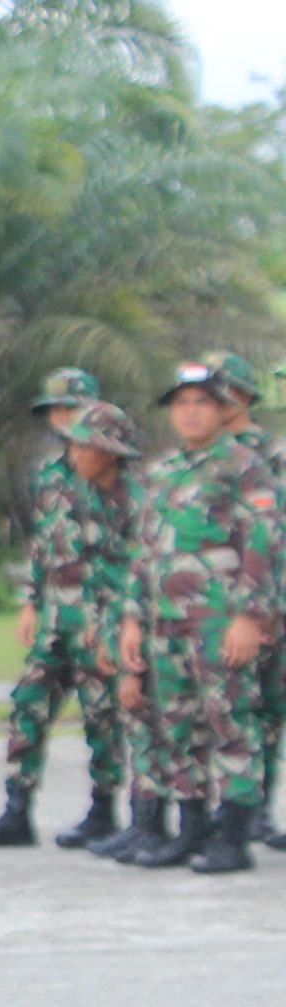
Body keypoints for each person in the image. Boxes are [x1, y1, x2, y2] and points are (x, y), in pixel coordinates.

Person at [115, 359, 281, 873]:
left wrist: (251, 616)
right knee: (177, 726)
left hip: (219, 621)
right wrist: (132, 620)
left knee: (231, 723)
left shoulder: (244, 465)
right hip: (165, 624)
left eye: (202, 403)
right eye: (182, 404)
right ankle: (191, 829)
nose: (190, 412)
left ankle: (232, 837)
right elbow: (143, 551)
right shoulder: (161, 472)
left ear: (223, 409)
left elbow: (264, 540)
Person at [0, 374, 136, 850]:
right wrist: (30, 601)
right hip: (58, 619)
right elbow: (44, 544)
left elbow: (135, 564)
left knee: (102, 718)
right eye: (55, 411)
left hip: (100, 621)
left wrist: (115, 623)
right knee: (29, 704)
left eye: (70, 408)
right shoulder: (50, 476)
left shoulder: (124, 487)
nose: (62, 419)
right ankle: (17, 810)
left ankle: (103, 810)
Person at [207, 352, 286, 850]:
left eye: (221, 391)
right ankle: (225, 811)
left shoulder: (269, 454)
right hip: (210, 604)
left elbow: (272, 534)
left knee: (266, 707)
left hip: (266, 602)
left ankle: (255, 811)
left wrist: (267, 605)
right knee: (225, 708)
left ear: (241, 396)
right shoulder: (202, 455)